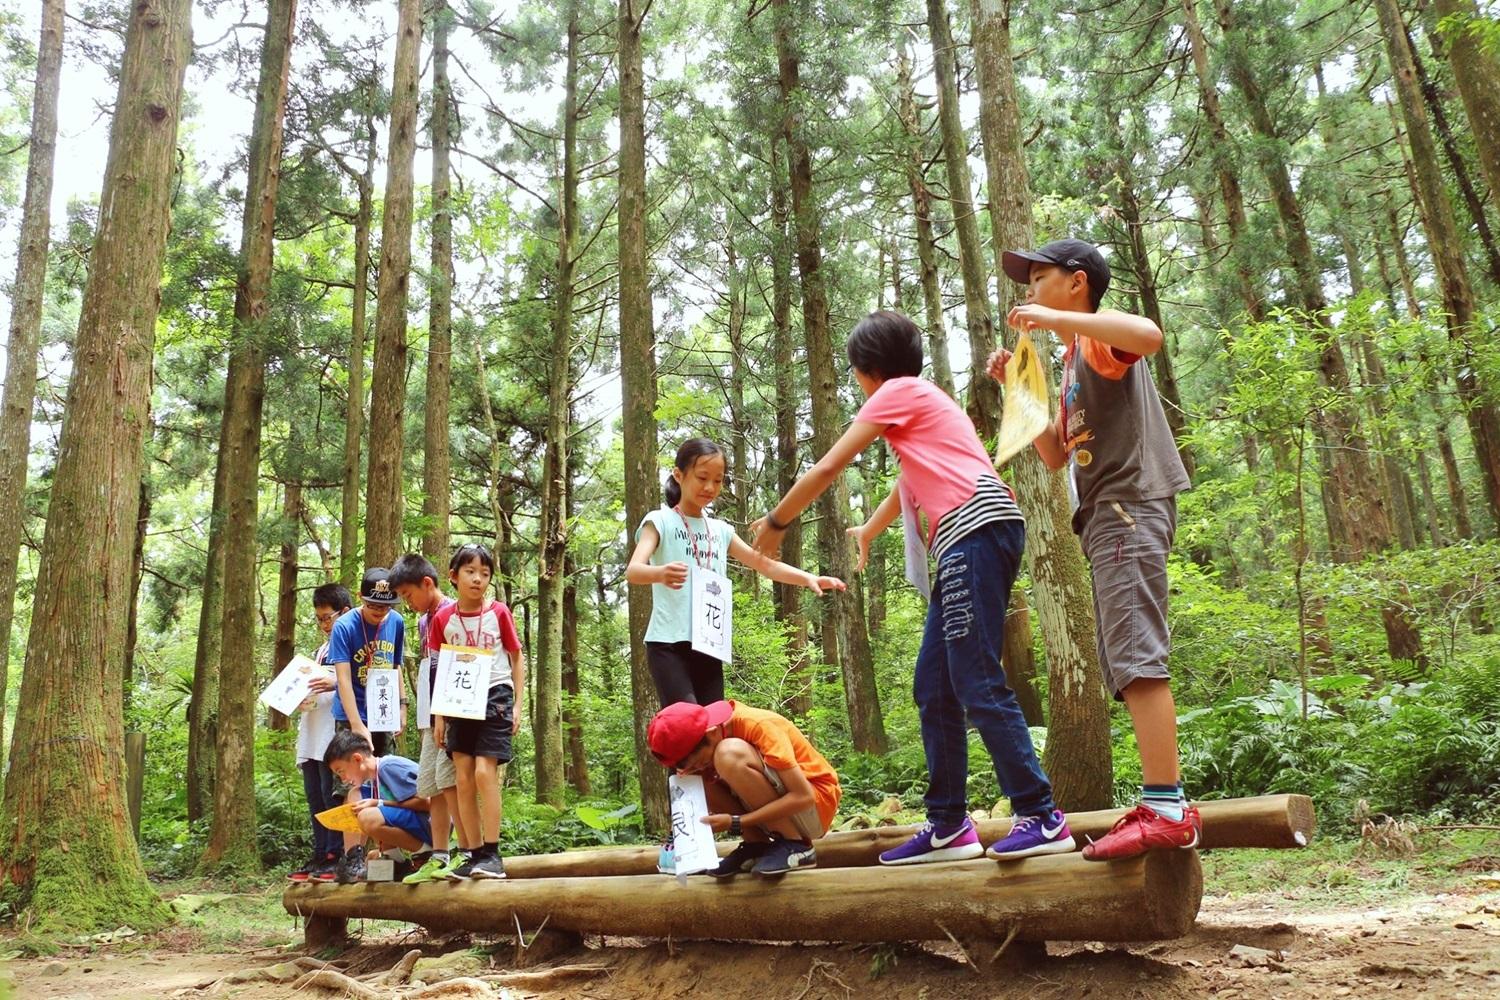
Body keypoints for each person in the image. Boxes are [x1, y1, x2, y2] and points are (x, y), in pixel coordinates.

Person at [751, 310, 1074, 864]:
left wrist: (777, 525)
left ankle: (1041, 815)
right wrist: (870, 530)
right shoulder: (924, 404)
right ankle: (950, 825)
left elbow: (829, 466)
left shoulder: (897, 393)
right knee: (935, 686)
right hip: (968, 537)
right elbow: (910, 483)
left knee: (975, 678)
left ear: (867, 371)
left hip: (975, 532)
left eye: (855, 374)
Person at [990, 238, 1197, 860]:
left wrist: (1054, 323)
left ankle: (1166, 808)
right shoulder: (1071, 366)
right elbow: (1056, 456)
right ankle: (1162, 801)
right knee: (1123, 657)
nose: (1028, 287)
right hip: (1104, 514)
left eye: (1039, 277)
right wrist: (1018, 390)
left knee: (1136, 655)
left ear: (1076, 283)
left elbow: (1149, 334)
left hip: (1128, 505)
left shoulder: (1098, 343)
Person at [626, 437, 846, 873]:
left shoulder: (720, 530)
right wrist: (659, 572)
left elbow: (764, 564)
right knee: (683, 744)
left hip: (709, 645)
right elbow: (634, 569)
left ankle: (756, 836)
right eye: (701, 478)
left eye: (718, 481)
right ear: (679, 475)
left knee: (722, 742)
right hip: (669, 645)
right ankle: (685, 840)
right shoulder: (660, 521)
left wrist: (809, 579)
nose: (710, 487)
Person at [647, 699, 841, 878]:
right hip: (780, 811)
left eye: (700, 762)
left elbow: (803, 796)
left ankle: (796, 845)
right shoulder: (713, 736)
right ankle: (756, 844)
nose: (700, 768)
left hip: (815, 805)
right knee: (690, 775)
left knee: (727, 754)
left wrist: (736, 822)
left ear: (711, 732)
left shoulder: (757, 724)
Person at [425, 543, 522, 880]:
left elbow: (516, 655)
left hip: (495, 693)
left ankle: (493, 854)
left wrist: (518, 704)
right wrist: (439, 716)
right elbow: (440, 664)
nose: (478, 579)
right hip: (458, 700)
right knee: (462, 775)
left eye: (484, 573)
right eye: (470, 572)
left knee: (484, 772)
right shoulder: (442, 619)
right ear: (453, 577)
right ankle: (473, 853)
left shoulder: (499, 613)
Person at [389, 552, 470, 884]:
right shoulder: (424, 621)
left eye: (409, 596)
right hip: (430, 710)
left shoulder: (454, 613)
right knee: (433, 783)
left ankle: (468, 850)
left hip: (451, 709)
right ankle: (440, 853)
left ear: (427, 583)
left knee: (453, 781)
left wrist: (447, 714)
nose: (409, 604)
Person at [327, 568, 405, 882]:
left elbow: (396, 665)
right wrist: (357, 725)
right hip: (351, 713)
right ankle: (352, 857)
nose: (379, 613)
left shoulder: (396, 624)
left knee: (382, 781)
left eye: (385, 607)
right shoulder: (344, 626)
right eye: (374, 606)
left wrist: (402, 706)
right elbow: (342, 679)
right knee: (352, 783)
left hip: (382, 711)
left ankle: (389, 856)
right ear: (361, 599)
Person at [288, 583, 352, 884]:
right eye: (319, 619)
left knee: (331, 795)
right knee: (315, 796)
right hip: (313, 729)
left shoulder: (353, 641)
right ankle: (320, 851)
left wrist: (335, 683)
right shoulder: (321, 649)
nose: (324, 625)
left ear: (345, 612)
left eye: (328, 617)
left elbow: (361, 682)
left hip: (334, 732)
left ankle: (336, 854)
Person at [323, 729, 431, 863]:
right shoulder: (375, 779)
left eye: (341, 771)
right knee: (356, 795)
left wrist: (379, 803)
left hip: (430, 824)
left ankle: (425, 852)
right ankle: (393, 859)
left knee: (367, 817)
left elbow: (428, 802)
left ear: (357, 759)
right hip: (415, 821)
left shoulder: (387, 766)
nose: (343, 779)